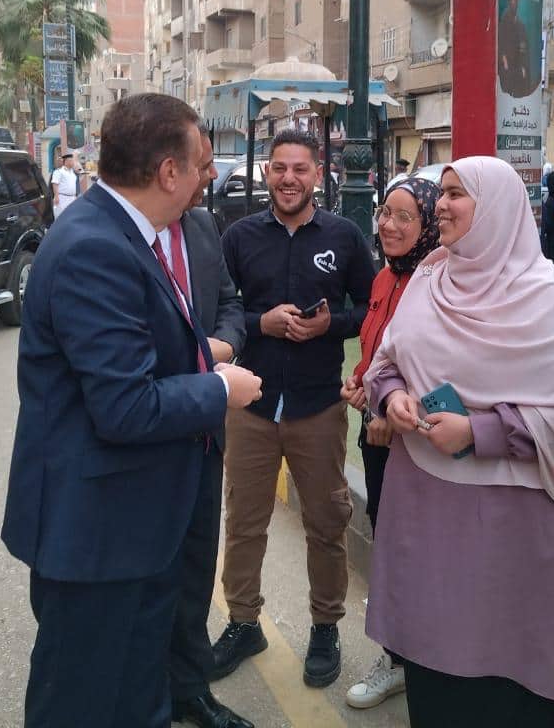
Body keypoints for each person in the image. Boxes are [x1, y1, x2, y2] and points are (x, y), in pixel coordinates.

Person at [1, 94, 263, 728]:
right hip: (97, 531)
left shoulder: (129, 234)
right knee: (84, 699)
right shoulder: (96, 247)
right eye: (200, 164)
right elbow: (125, 405)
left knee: (137, 692)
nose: (207, 177)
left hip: (136, 520)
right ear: (169, 172)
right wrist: (221, 389)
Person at [361, 156, 554, 727]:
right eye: (443, 193)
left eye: (457, 194)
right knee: (436, 661)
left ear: (497, 208)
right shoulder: (429, 278)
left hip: (511, 517)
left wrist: (479, 432)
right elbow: (387, 362)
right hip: (425, 504)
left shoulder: (545, 302)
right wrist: (392, 397)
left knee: (507, 661)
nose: (443, 205)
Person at [214, 128, 375, 689]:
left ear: (317, 175)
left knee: (327, 522)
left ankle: (325, 627)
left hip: (317, 406)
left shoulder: (345, 236)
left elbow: (371, 307)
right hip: (252, 404)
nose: (289, 178)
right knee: (244, 521)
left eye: (300, 169)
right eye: (280, 168)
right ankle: (243, 622)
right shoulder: (238, 237)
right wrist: (261, 323)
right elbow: (219, 311)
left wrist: (332, 324)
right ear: (267, 174)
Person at [341, 176, 442, 710]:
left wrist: (391, 408)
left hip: (416, 441)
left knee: (418, 549)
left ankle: (422, 660)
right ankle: (399, 658)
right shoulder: (384, 278)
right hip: (376, 435)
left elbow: (441, 369)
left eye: (406, 217)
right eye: (385, 213)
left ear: (428, 227)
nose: (388, 225)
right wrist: (361, 385)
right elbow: (378, 353)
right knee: (390, 542)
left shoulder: (438, 283)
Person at [169, 127, 254, 728]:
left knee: (196, 572)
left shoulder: (202, 226)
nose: (212, 176)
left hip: (203, 439)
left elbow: (229, 302)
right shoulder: (113, 239)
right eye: (203, 165)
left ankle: (188, 689)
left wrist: (221, 345)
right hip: (145, 439)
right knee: (147, 580)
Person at [498, 0, 532, 99]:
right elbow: (504, 72)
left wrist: (518, 72)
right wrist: (518, 73)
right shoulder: (497, 26)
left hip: (520, 103)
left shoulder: (521, 28)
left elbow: (526, 72)